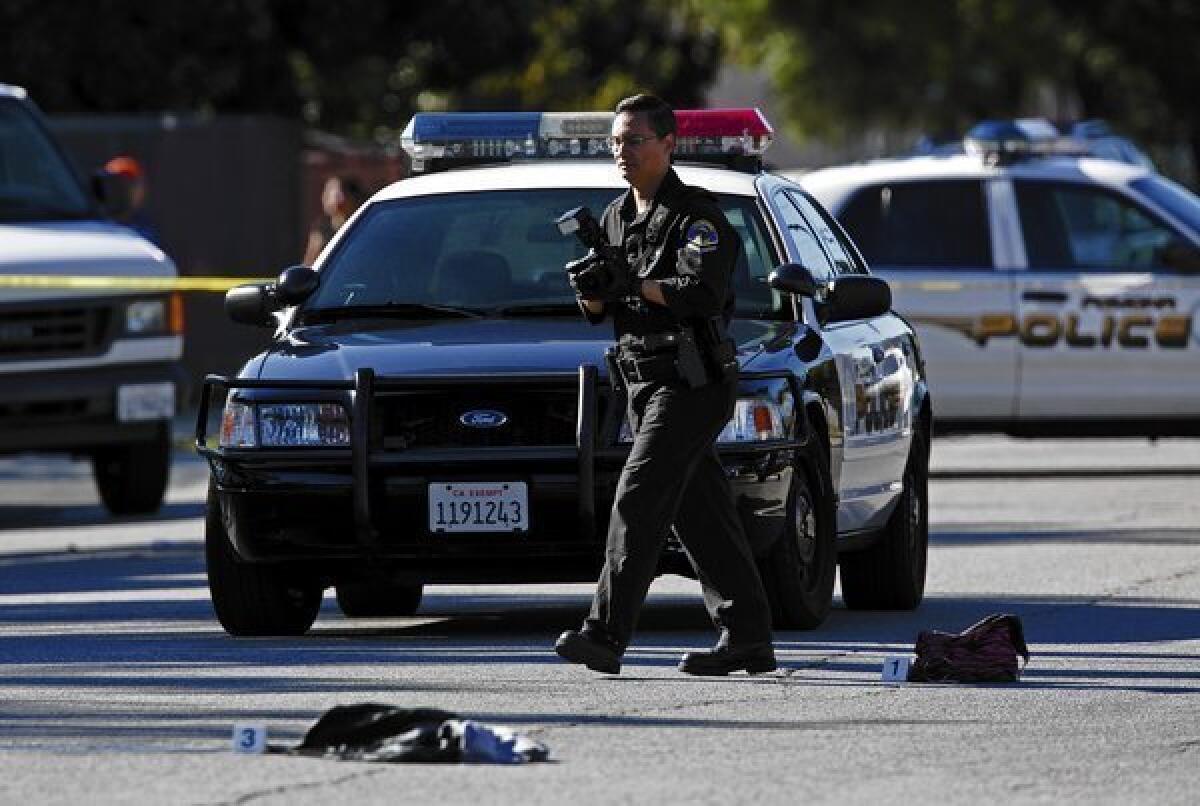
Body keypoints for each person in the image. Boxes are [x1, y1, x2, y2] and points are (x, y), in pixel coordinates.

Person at [554, 94, 776, 676]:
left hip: (691, 379)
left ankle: (604, 635)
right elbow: (600, 309)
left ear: (667, 144)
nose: (620, 152)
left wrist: (636, 283)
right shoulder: (613, 216)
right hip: (642, 382)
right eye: (614, 142)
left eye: (633, 140)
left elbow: (703, 291)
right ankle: (748, 636)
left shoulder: (695, 215)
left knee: (639, 495)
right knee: (701, 514)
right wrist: (595, 289)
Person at [303, 174, 363, 265]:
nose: (324, 198)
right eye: (326, 193)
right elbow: (308, 267)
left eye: (331, 193)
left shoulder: (364, 228)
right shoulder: (321, 233)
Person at [103, 155, 162, 248]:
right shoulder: (92, 224)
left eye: (130, 184)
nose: (124, 190)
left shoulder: (145, 229)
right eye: (118, 185)